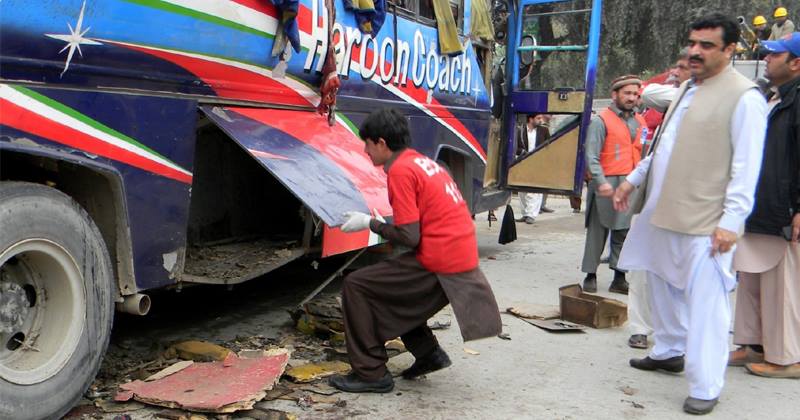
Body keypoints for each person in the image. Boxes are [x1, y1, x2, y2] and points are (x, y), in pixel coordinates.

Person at [613, 13, 767, 415]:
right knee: (660, 284)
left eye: (707, 45)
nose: (694, 51)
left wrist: (731, 223)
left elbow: (746, 168)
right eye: (693, 43)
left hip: (706, 221)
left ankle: (706, 383)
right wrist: (632, 180)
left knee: (706, 304)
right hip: (663, 210)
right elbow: (664, 145)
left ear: (730, 50)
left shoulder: (744, 97)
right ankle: (668, 351)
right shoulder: (685, 89)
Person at [329, 108, 502, 393]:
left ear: (381, 143)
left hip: (441, 260)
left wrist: (370, 223)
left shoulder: (400, 170)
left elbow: (409, 236)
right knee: (393, 295)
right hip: (458, 254)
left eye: (367, 144)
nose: (365, 150)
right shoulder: (421, 161)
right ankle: (428, 353)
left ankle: (370, 373)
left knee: (356, 285)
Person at [729, 32, 800, 379]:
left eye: (775, 55)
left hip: (784, 211)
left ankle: (787, 357)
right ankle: (752, 343)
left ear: (796, 62)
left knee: (782, 286)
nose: (766, 59)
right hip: (759, 208)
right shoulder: (770, 96)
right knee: (751, 279)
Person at [627, 50, 692, 350]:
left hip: (685, 205)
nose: (675, 72)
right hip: (652, 199)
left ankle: (672, 336)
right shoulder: (674, 101)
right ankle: (640, 327)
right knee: (642, 267)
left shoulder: (705, 103)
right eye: (675, 67)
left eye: (683, 68)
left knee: (676, 272)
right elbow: (648, 93)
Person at [580, 75, 645, 295]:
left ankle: (619, 276)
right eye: (627, 93)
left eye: (635, 94)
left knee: (624, 232)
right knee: (598, 231)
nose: (631, 98)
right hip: (606, 183)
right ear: (614, 95)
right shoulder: (601, 121)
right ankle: (590, 274)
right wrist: (600, 182)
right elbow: (591, 156)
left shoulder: (640, 122)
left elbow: (644, 154)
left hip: (630, 183)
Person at [515, 114, 551, 224]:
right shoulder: (520, 131)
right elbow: (515, 146)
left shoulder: (544, 130)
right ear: (531, 119)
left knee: (534, 190)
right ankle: (525, 214)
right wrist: (522, 153)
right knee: (522, 190)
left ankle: (531, 214)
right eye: (538, 118)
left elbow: (549, 145)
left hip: (538, 163)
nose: (541, 120)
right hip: (523, 161)